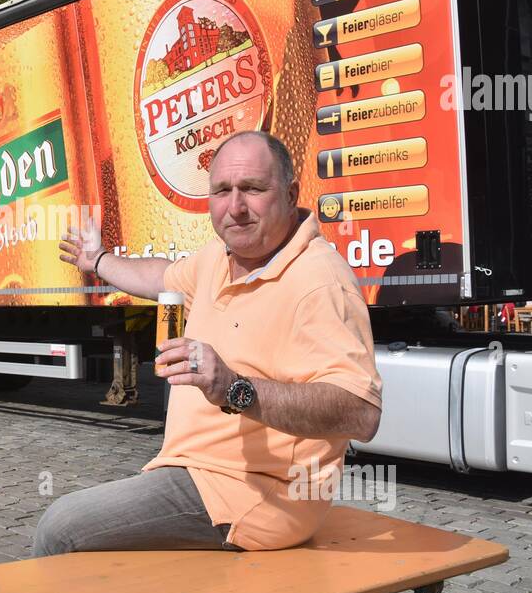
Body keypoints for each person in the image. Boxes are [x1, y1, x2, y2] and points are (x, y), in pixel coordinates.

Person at [37, 131, 382, 565]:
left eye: (253, 189)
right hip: (193, 472)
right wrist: (99, 261)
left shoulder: (319, 282)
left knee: (61, 528)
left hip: (257, 494)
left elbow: (361, 412)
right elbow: (160, 278)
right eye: (222, 191)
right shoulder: (220, 259)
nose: (235, 207)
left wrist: (236, 388)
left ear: (291, 194)